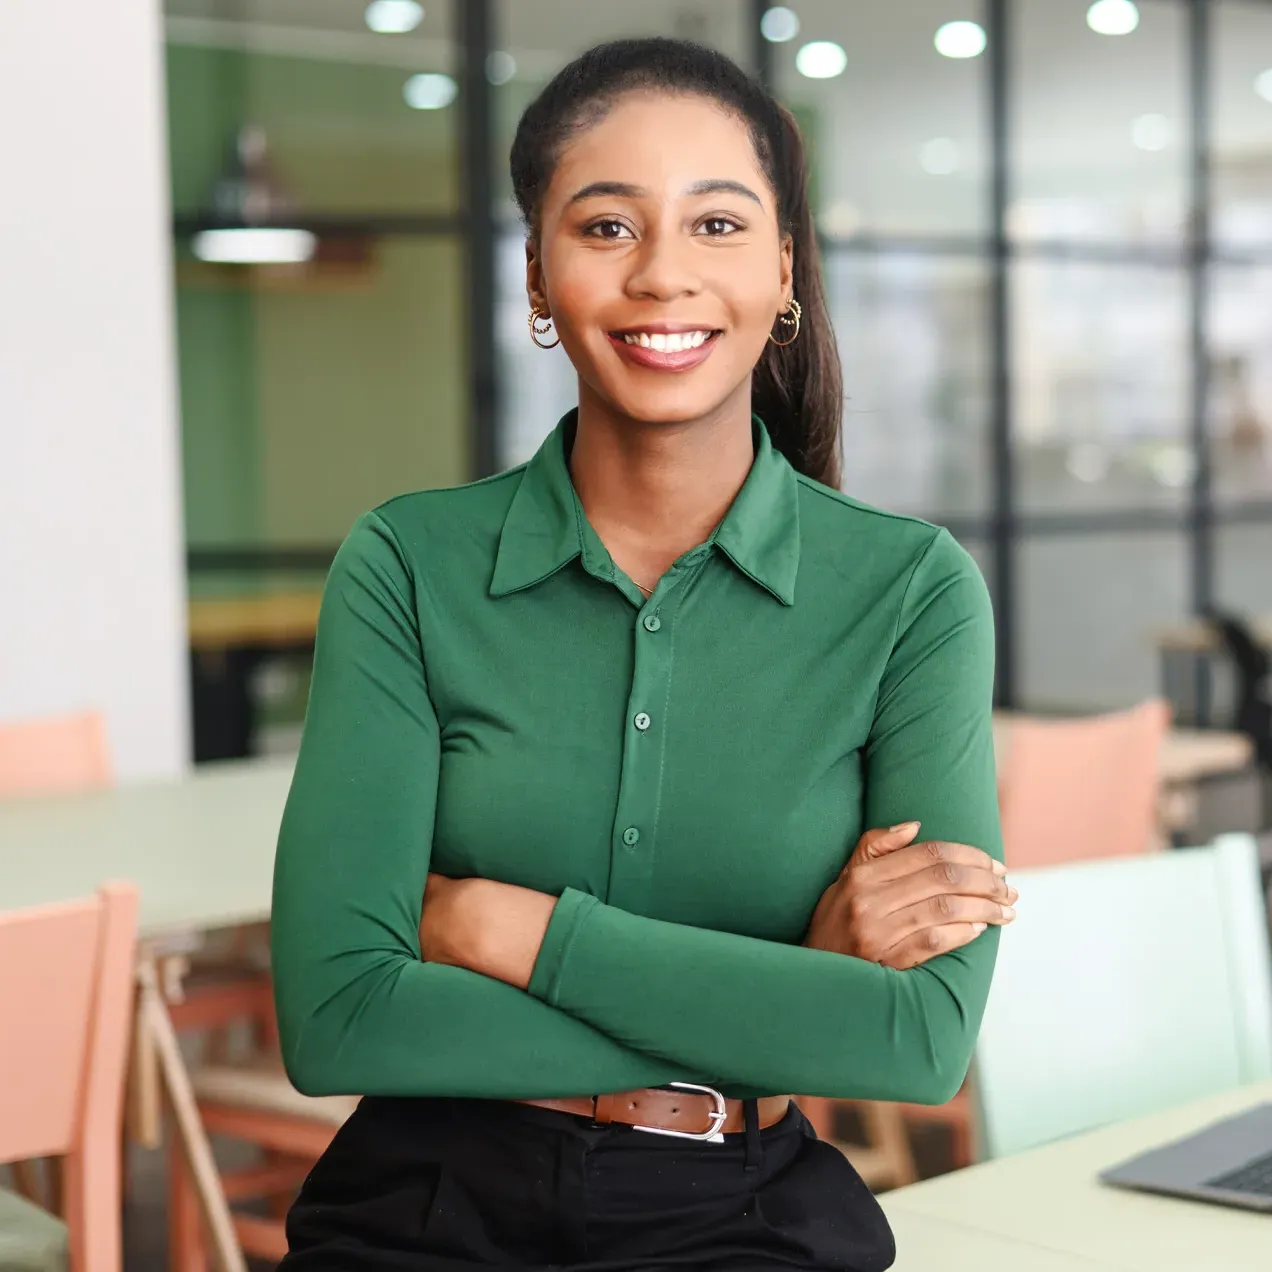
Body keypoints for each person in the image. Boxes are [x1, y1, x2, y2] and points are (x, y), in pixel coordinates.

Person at [271, 36, 1016, 1272]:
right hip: (421, 1208)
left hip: (744, 1215)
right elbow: (340, 1018)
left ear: (784, 269)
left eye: (718, 226)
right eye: (607, 227)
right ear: (538, 276)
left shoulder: (909, 592)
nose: (664, 276)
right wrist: (793, 994)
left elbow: (916, 1044)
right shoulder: (407, 564)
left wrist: (516, 935)